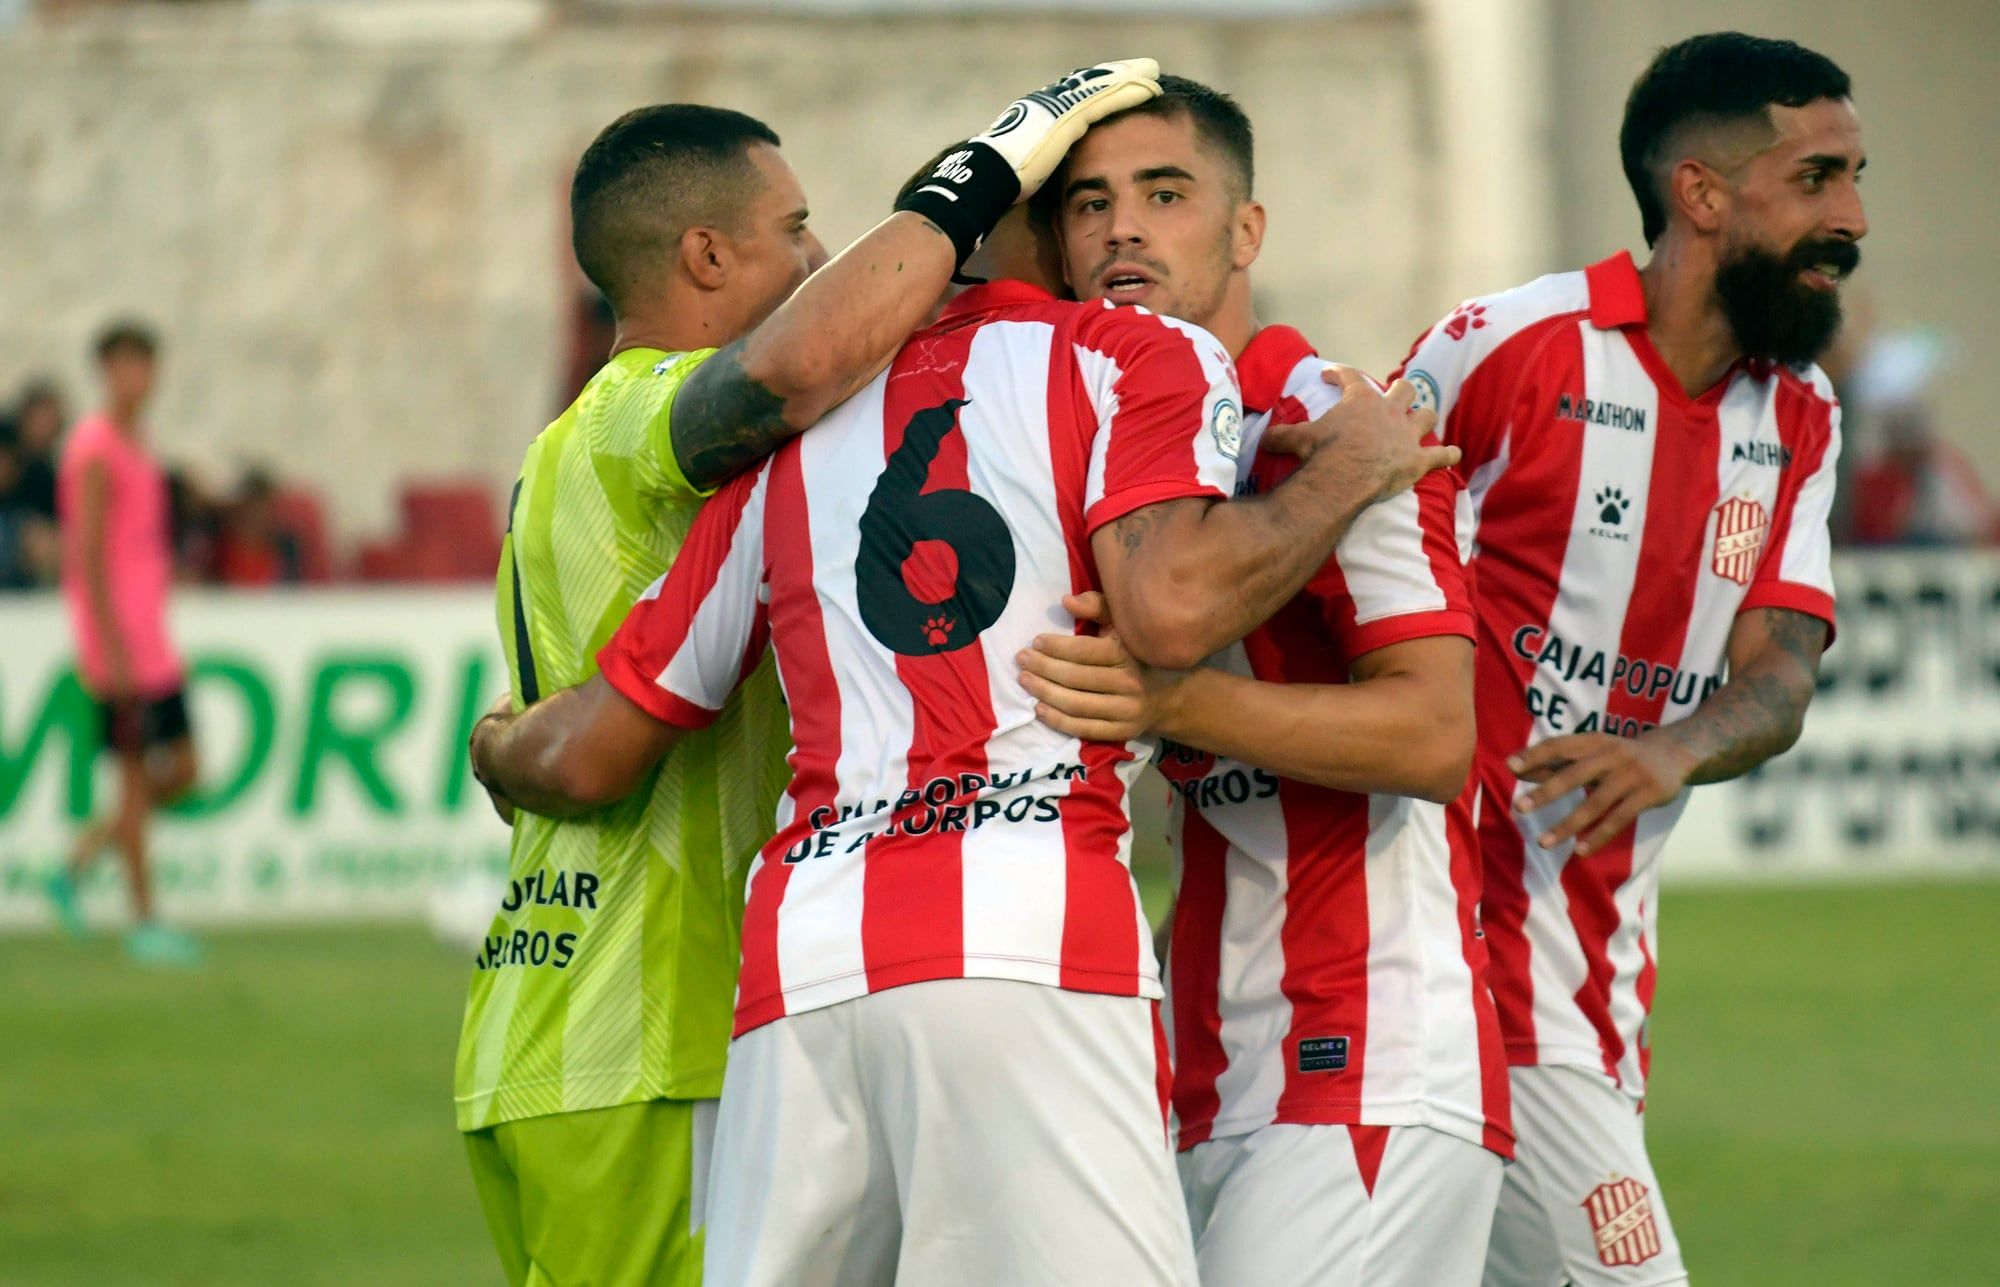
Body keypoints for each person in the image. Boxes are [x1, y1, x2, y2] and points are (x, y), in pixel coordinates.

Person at [468, 118, 1454, 1287]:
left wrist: (495, 745)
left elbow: (609, 731)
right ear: (1038, 233)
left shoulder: (788, 442)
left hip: (803, 966)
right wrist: (1348, 466)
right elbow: (1173, 607)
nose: (1117, 237)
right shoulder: (1132, 356)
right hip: (1022, 932)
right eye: (1087, 209)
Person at [457, 63, 1168, 1287]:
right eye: (792, 231)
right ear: (703, 258)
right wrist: (978, 176)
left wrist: (500, 748)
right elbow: (791, 368)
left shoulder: (558, 447)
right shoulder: (649, 418)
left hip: (540, 1017)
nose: (818, 255)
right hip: (646, 1024)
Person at [1380, 33, 1862, 1285]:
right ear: (1699, 193)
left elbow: (1779, 676)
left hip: (1592, 980)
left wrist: (1670, 748)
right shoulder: (1504, 347)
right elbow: (1330, 553)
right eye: (1814, 179)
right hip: (1446, 962)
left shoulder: (1798, 416)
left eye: (1852, 179)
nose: (1850, 218)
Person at [1022, 76, 1510, 1285]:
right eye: (1089, 203)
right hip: (1200, 1064)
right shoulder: (1102, 437)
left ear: (1245, 232)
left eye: (1164, 194)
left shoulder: (1333, 421)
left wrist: (1170, 701)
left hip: (1365, 1052)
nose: (1121, 227)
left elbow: (1430, 736)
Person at [47, 321, 202, 965]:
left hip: (152, 638)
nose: (138, 378)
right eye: (126, 365)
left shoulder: (139, 442)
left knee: (186, 773)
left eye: (146, 365)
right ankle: (143, 920)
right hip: (120, 647)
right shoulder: (93, 448)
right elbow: (86, 556)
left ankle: (80, 860)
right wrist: (107, 650)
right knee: (135, 783)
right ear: (106, 372)